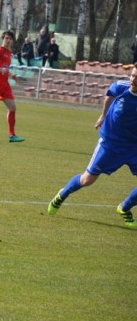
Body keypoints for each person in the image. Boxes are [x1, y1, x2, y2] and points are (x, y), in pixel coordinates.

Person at [47, 65, 137, 229]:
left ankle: (124, 208)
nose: (133, 80)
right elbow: (109, 95)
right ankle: (62, 194)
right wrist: (103, 115)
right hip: (110, 143)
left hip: (133, 146)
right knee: (87, 180)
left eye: (136, 77)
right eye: (132, 76)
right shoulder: (120, 87)